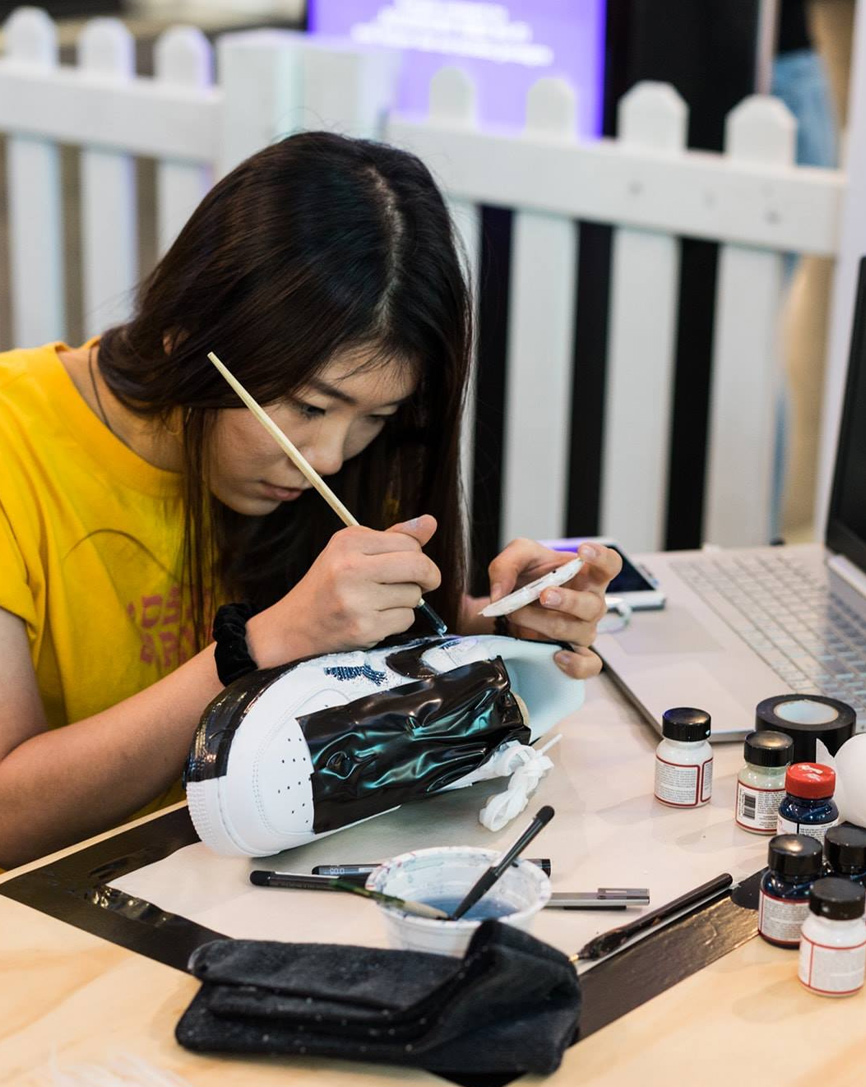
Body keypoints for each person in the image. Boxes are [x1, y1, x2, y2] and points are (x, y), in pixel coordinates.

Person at [0, 132, 621, 869]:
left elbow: (364, 668)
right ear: (186, 336)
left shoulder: (341, 456)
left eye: (376, 417)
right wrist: (259, 647)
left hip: (260, 875)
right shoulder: (19, 444)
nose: (327, 456)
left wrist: (491, 621)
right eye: (306, 406)